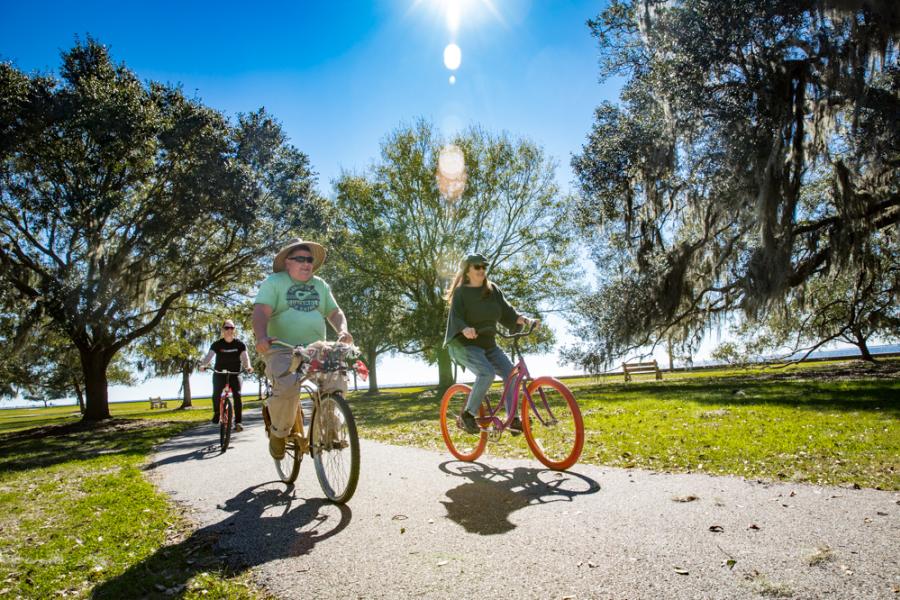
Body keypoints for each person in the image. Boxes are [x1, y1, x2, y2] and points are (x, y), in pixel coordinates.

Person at [252, 239, 354, 459]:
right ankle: (278, 434)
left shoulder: (320, 284)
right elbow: (261, 311)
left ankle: (331, 432)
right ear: (287, 262)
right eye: (300, 259)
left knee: (335, 381)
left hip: (316, 348)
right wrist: (261, 336)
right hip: (282, 348)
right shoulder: (274, 282)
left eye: (309, 259)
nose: (307, 263)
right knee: (288, 386)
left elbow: (335, 313)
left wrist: (342, 331)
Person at [443, 253, 538, 435]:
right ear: (467, 270)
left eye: (483, 267)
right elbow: (456, 318)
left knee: (511, 374)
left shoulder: (492, 290)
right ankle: (468, 415)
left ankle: (513, 419)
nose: (481, 270)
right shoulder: (461, 292)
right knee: (486, 373)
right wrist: (464, 329)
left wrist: (526, 320)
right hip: (463, 345)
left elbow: (509, 314)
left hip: (488, 344)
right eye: (477, 266)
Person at [199, 319, 253, 432]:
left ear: (234, 330)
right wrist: (204, 365)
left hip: (235, 374)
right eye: (227, 328)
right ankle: (217, 413)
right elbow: (209, 356)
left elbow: (245, 357)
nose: (229, 330)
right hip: (220, 373)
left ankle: (238, 422)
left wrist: (248, 366)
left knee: (237, 395)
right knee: (216, 393)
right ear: (223, 330)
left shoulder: (240, 344)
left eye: (232, 328)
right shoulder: (217, 344)